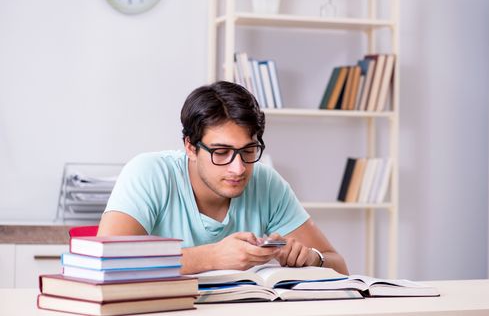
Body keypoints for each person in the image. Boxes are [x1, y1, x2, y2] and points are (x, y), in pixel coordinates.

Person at [98, 81, 348, 275]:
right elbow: (108, 260)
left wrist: (312, 258)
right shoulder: (149, 173)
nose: (238, 168)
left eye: (248, 151)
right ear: (190, 147)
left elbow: (339, 266)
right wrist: (212, 258)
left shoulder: (267, 183)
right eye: (221, 152)